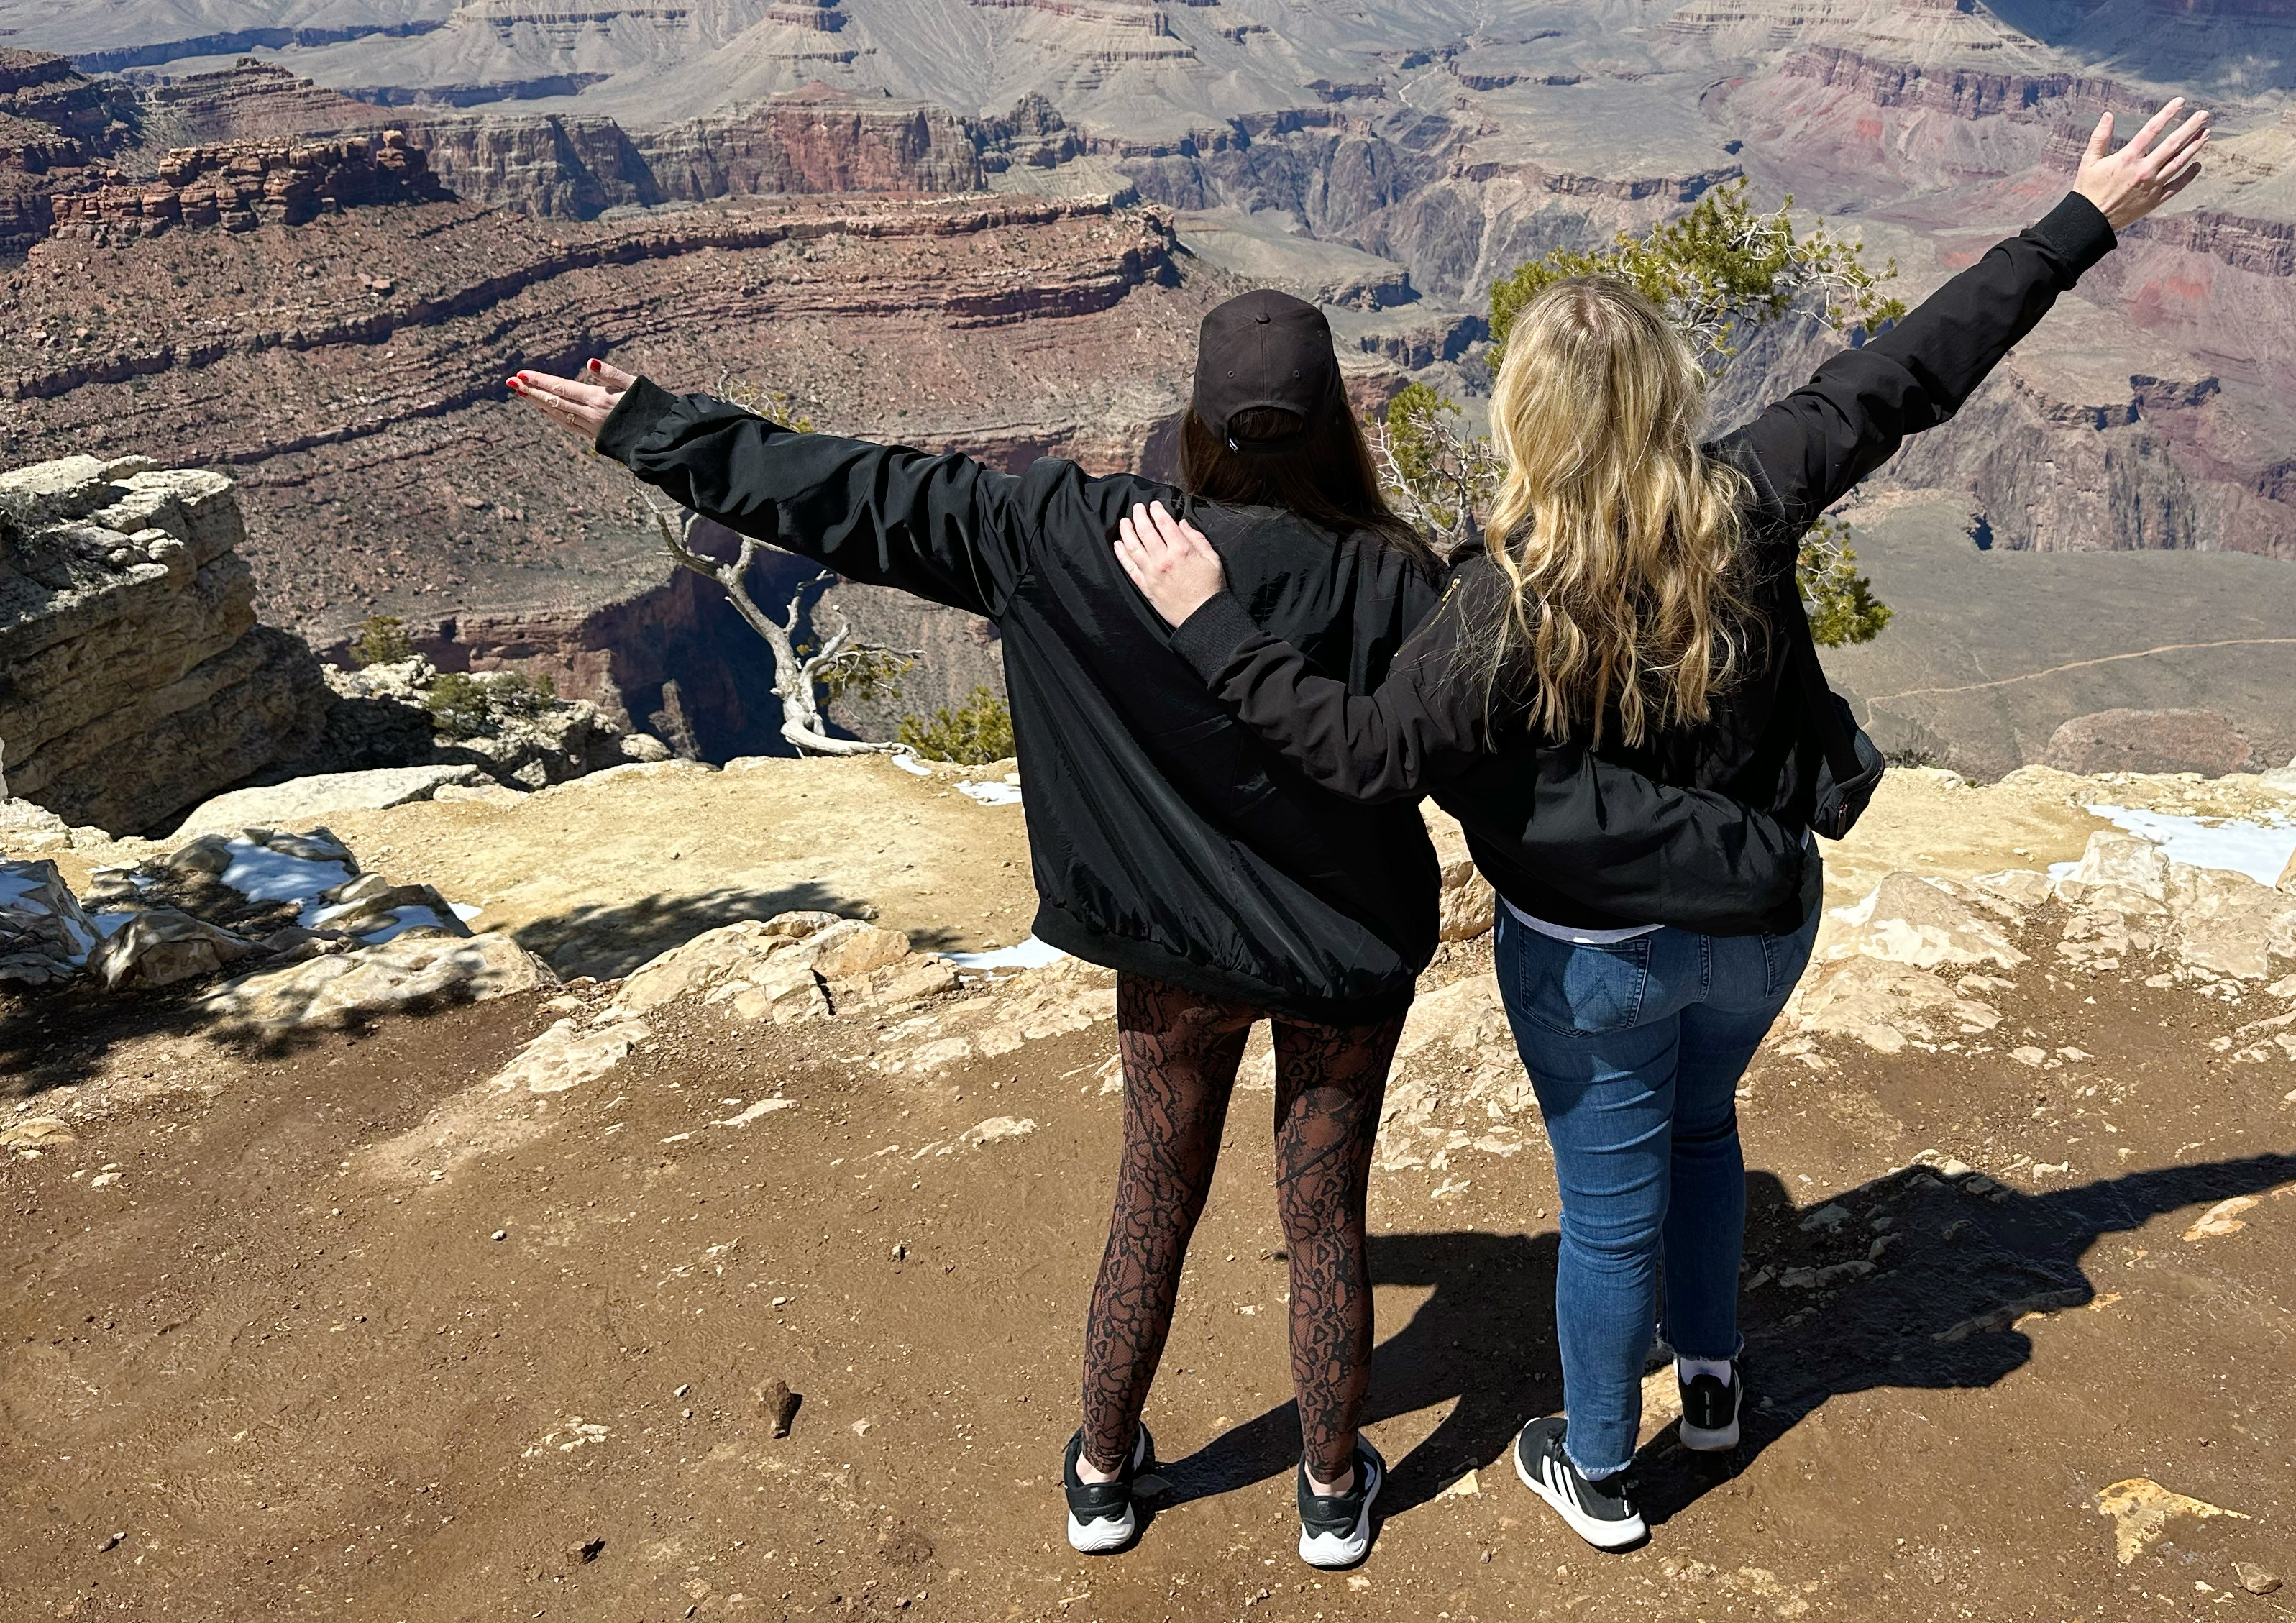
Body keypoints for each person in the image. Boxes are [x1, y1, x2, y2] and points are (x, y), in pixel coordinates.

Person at [506, 288, 1802, 1572]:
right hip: (1341, 961)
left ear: (1194, 418)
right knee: (1325, 1221)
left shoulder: (1075, 538)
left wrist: (653, 429)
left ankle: (1103, 1474)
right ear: (1338, 422)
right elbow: (1498, 763)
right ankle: (1332, 1493)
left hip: (1174, 961)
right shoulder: (1402, 579)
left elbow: (861, 493)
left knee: (1153, 1199)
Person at [1114, 101, 2213, 1550]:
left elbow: (1365, 753)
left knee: (1608, 1205)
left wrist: (1207, 624)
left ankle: (1599, 1468)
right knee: (1706, 1126)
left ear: (1527, 419)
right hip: (1758, 926)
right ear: (1664, 397)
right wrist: (2086, 217)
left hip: (1595, 964)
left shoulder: (1495, 605)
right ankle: (1710, 1380)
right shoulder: (1749, 495)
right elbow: (1914, 371)